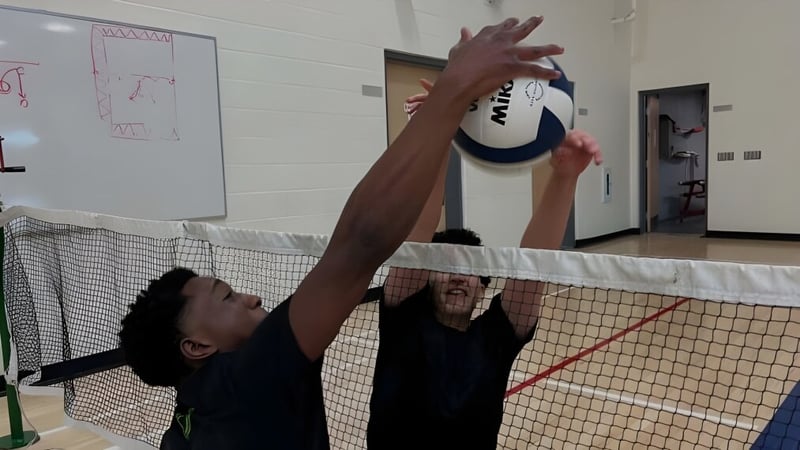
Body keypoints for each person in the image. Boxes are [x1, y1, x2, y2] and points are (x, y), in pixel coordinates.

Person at [117, 16, 566, 450]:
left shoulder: (186, 423)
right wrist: (453, 90)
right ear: (196, 345)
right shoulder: (254, 374)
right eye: (226, 297)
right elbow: (361, 242)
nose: (251, 298)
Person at [364, 80, 602, 450]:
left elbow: (532, 265)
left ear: (483, 286)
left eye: (471, 271)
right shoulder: (402, 319)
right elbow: (418, 231)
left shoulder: (496, 338)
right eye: (446, 266)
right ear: (425, 279)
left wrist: (565, 177)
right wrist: (442, 130)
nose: (460, 276)